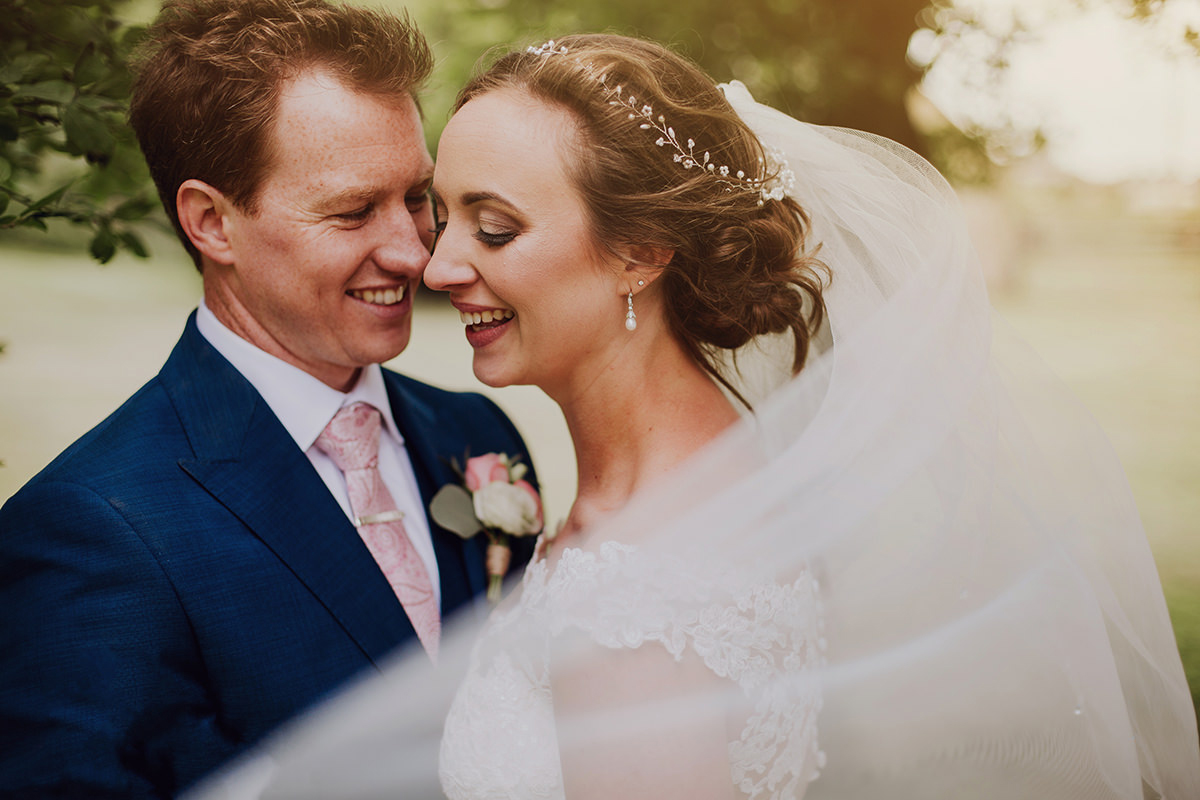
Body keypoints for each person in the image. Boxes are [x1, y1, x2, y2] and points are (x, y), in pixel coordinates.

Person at [185, 33, 1200, 800]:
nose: (436, 264)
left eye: (493, 228)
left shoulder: (639, 606)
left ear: (639, 252)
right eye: (441, 215)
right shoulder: (717, 474)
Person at [0, 1, 537, 797]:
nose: (414, 252)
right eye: (353, 211)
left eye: (416, 196)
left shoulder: (476, 433)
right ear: (211, 222)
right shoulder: (90, 534)